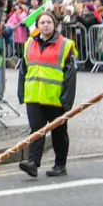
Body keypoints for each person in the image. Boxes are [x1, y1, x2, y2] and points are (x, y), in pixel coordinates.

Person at [17, 10, 76, 178]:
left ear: (55, 25)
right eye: (42, 22)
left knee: (59, 132)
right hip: (34, 96)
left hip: (55, 97)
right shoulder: (29, 44)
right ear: (37, 26)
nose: (45, 25)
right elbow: (23, 70)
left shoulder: (66, 45)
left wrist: (67, 100)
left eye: (49, 22)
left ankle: (60, 164)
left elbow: (71, 76)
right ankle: (33, 163)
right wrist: (21, 93)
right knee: (36, 130)